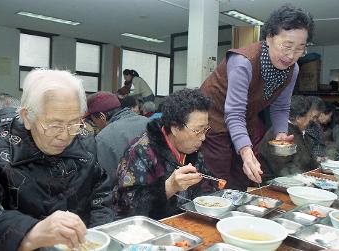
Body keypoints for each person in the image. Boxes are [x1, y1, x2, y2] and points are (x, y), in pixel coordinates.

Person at [0, 69, 114, 251]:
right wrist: (30, 233)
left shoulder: (84, 139)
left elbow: (101, 193)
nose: (64, 136)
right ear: (27, 117)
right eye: (54, 125)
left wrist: (97, 237)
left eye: (73, 123)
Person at [200, 5, 314, 190]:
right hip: (212, 119)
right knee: (217, 178)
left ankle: (237, 217)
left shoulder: (293, 70)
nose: (291, 55)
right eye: (287, 46)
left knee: (242, 177)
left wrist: (280, 133)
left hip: (243, 122)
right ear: (269, 37)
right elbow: (234, 112)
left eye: (300, 49)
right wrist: (245, 152)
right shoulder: (243, 62)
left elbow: (281, 107)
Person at [114, 89, 214, 219]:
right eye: (198, 130)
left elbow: (206, 186)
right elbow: (125, 208)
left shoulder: (192, 149)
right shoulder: (141, 152)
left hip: (187, 222)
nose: (203, 137)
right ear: (175, 128)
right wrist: (169, 187)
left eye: (205, 129)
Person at [86, 91, 149, 183]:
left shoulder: (103, 138)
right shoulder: (148, 122)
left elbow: (107, 181)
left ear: (102, 116)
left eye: (93, 121)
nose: (94, 124)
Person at [259, 96, 319, 181]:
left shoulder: (299, 130)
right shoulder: (280, 135)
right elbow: (282, 170)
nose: (311, 120)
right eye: (309, 116)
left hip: (298, 178)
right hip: (274, 184)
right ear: (298, 118)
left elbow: (308, 160)